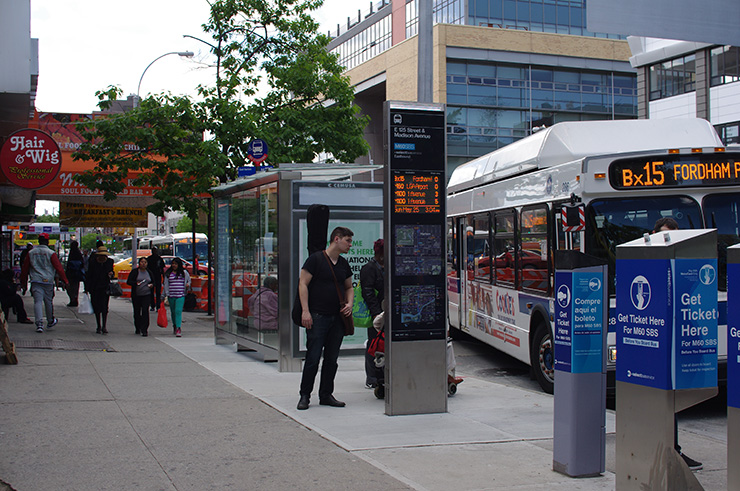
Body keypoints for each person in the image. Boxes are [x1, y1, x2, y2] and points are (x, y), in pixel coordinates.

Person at [652, 217, 702, 471]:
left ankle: (674, 450)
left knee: (672, 402)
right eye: (663, 236)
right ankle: (664, 450)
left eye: (672, 236)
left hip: (675, 344)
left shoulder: (686, 267)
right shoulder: (648, 265)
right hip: (655, 347)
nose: (668, 242)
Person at [297, 226, 354, 411]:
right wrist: (305, 311)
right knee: (313, 357)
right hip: (318, 316)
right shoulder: (315, 259)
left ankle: (326, 394)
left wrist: (350, 304)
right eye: (348, 240)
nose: (350, 245)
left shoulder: (344, 264)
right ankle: (305, 395)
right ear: (336, 239)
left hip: (336, 318)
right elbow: (303, 283)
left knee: (332, 358)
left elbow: (349, 287)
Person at [20, 233, 68, 333]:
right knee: (48, 302)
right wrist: (65, 281)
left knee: (37, 301)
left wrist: (23, 284)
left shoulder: (31, 253)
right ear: (47, 241)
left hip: (36, 280)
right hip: (48, 281)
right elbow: (59, 268)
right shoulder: (51, 253)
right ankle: (50, 321)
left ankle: (39, 324)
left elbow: (25, 269)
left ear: (38, 241)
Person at [360, 238, 385, 389]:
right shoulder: (369, 268)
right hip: (376, 312)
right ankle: (372, 377)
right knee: (374, 343)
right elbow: (367, 292)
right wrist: (375, 313)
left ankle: (381, 374)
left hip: (385, 310)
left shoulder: (386, 266)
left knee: (381, 343)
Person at [85, 244, 114, 334]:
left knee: (104, 307)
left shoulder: (109, 262)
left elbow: (111, 273)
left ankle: (104, 326)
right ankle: (99, 325)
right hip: (95, 287)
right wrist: (87, 288)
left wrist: (111, 274)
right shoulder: (93, 262)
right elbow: (89, 275)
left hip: (105, 287)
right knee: (96, 307)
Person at [126, 257, 153, 336]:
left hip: (146, 294)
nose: (143, 264)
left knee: (145, 311)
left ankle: (144, 329)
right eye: (142, 262)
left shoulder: (149, 272)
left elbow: (154, 282)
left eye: (145, 262)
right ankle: (138, 327)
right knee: (137, 312)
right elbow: (129, 281)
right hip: (137, 295)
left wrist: (151, 285)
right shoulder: (135, 272)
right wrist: (135, 283)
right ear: (139, 263)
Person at [164, 257, 191, 337]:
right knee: (173, 312)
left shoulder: (184, 273)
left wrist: (187, 285)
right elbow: (166, 284)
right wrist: (166, 294)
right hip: (171, 295)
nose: (174, 265)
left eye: (176, 264)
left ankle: (178, 327)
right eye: (173, 264)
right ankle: (175, 325)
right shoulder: (168, 274)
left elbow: (189, 281)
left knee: (178, 311)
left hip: (180, 295)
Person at [64, 240, 85, 307]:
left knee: (70, 287)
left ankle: (72, 299)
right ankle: (75, 299)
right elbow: (82, 263)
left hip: (71, 273)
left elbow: (68, 264)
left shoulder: (72, 253)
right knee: (76, 287)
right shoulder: (78, 253)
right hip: (77, 273)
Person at [147, 247, 166, 311]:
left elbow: (162, 269)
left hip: (157, 277)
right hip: (152, 277)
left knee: (158, 292)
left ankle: (157, 306)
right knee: (152, 292)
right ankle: (153, 305)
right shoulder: (150, 259)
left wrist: (163, 277)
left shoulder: (159, 259)